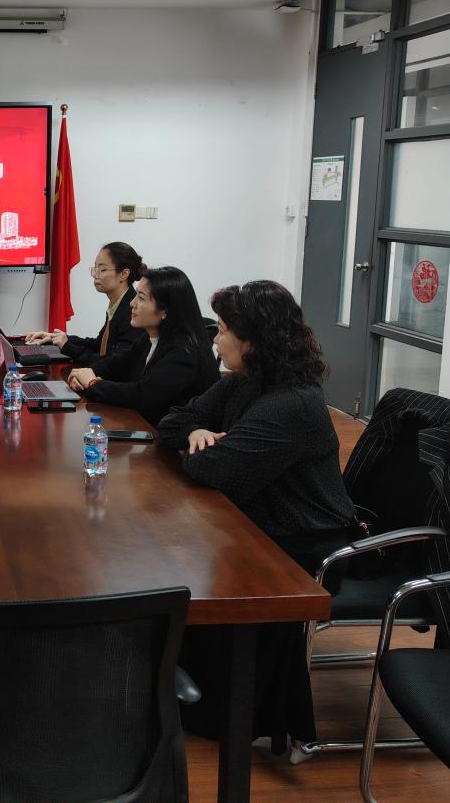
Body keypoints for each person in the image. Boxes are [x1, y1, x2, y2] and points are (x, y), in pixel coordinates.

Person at [155, 279, 356, 751]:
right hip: (257, 524)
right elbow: (171, 423)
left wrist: (203, 448)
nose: (215, 339)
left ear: (254, 341)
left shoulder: (291, 404)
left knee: (185, 559)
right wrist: (199, 432)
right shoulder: (244, 383)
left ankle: (230, 711)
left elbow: (213, 471)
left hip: (304, 545)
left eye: (224, 330)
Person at [66, 266, 219, 425]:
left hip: (176, 435)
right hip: (146, 424)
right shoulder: (149, 337)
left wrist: (92, 383)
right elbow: (117, 365)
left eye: (141, 298)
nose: (132, 303)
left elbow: (143, 395)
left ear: (165, 311)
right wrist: (86, 373)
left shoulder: (184, 351)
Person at [25, 241, 142, 366]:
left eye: (102, 269)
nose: (95, 275)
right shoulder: (118, 303)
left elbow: (114, 364)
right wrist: (56, 338)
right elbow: (99, 345)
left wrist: (67, 346)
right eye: (95, 268)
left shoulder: (133, 311)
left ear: (124, 274)